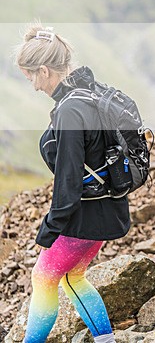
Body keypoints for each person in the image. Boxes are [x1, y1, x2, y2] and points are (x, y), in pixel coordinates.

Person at [14, 25, 129, 343]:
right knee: (73, 277)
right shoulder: (89, 94)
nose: (35, 87)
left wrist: (48, 230)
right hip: (106, 209)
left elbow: (67, 182)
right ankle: (106, 341)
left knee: (44, 276)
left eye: (32, 78)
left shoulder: (70, 111)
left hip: (83, 216)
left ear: (45, 70)